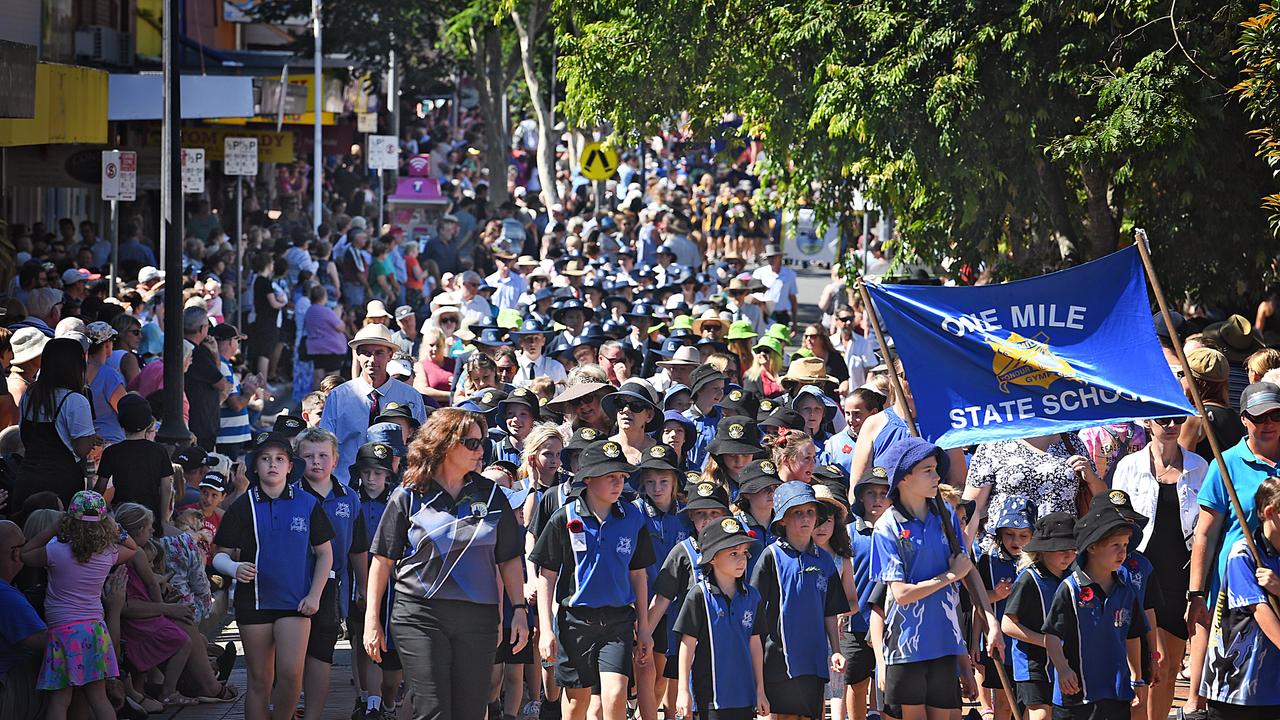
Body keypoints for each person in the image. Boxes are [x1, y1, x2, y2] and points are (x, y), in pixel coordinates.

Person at [364, 408, 528, 720]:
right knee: (434, 709)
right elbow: (382, 561)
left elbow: (508, 559)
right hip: (419, 615)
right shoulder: (409, 495)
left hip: (478, 617)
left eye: (482, 443)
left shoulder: (491, 495)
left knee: (469, 711)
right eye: (471, 443)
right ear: (444, 444)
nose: (480, 450)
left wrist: (518, 610)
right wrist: (372, 619)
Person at [211, 432, 335, 720]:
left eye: (280, 459)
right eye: (265, 459)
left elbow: (325, 554)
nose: (273, 465)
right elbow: (219, 555)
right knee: (260, 680)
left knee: (291, 674)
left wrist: (314, 595)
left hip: (295, 601)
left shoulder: (307, 503)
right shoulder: (242, 506)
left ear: (291, 466)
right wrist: (234, 568)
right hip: (253, 602)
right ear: (255, 467)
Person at [530, 440, 655, 720]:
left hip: (618, 621)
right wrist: (547, 630)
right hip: (575, 622)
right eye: (610, 476)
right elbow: (546, 576)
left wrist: (644, 627)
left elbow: (639, 574)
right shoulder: (565, 518)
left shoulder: (633, 517)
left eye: (622, 477)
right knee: (576, 704)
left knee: (614, 694)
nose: (618, 483)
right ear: (588, 478)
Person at [1185, 381, 1280, 720]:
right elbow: (1205, 535)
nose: (1267, 423)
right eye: (1258, 417)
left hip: (1278, 582)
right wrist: (1196, 592)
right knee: (1235, 671)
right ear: (1243, 420)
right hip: (1235, 587)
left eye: (1275, 415)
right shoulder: (1224, 465)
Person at [869, 437, 980, 719]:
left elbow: (967, 570)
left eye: (935, 468)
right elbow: (901, 594)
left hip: (945, 642)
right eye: (927, 470)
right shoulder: (887, 526)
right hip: (906, 647)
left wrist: (966, 657)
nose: (937, 476)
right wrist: (949, 575)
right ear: (904, 477)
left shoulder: (946, 517)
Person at [20, 491, 138, 720]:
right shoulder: (107, 554)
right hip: (94, 629)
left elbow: (25, 554)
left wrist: (53, 528)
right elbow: (132, 548)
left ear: (69, 520)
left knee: (59, 700)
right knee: (99, 698)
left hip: (63, 632)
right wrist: (115, 527)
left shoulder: (55, 552)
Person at [750, 480, 847, 720]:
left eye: (810, 512)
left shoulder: (824, 561)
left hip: (814, 659)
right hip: (779, 658)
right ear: (782, 519)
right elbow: (754, 610)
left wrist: (835, 650)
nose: (805, 518)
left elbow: (830, 611)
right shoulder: (771, 556)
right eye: (797, 513)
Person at [1043, 502, 1148, 719]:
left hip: (1116, 692)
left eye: (1125, 544)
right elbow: (1052, 636)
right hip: (1076, 694)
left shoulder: (1126, 591)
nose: (1123, 552)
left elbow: (1132, 635)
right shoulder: (1070, 589)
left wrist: (1137, 676)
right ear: (1092, 547)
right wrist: (1062, 668)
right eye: (1115, 545)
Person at [294, 427, 370, 720]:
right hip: (294, 580)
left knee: (321, 649)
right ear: (297, 461)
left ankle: (313, 711)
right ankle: (289, 701)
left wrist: (363, 586)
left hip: (332, 584)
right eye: (308, 456)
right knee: (291, 648)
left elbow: (358, 547)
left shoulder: (349, 498)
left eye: (323, 455)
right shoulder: (291, 494)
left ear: (335, 460)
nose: (316, 462)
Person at [1198, 475, 1280, 718]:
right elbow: (1260, 610)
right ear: (1270, 512)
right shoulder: (1243, 554)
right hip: (1235, 685)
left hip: (1273, 687)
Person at [673, 517, 770, 720]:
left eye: (744, 552)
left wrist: (760, 689)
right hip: (710, 696)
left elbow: (755, 644)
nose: (742, 559)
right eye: (733, 553)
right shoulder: (699, 595)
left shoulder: (752, 596)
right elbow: (687, 645)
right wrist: (683, 691)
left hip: (745, 695)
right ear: (712, 558)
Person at [319, 324, 428, 485]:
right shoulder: (338, 396)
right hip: (346, 484)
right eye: (366, 353)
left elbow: (422, 444)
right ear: (357, 355)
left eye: (379, 353)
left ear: (390, 355)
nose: (372, 360)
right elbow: (325, 443)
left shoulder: (410, 396)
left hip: (393, 486)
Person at [14, 337, 100, 508]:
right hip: (60, 484)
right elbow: (81, 449)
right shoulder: (75, 400)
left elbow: (25, 434)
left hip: (26, 477)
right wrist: (91, 438)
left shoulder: (31, 395)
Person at [843, 466, 890, 720]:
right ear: (860, 496)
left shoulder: (898, 531)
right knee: (857, 683)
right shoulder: (850, 532)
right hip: (857, 621)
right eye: (871, 492)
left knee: (888, 685)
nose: (878, 499)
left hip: (890, 622)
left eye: (884, 493)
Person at [96, 393, 173, 533]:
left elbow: (99, 489)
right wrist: (163, 520)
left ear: (121, 422)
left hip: (122, 517)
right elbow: (166, 488)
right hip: (151, 518)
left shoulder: (111, 452)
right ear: (149, 422)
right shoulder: (159, 451)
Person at [0, 519, 48, 718]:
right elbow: (49, 643)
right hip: (9, 685)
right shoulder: (6, 596)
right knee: (81, 678)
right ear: (15, 552)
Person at [184, 307, 229, 451]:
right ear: (203, 328)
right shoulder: (197, 353)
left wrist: (214, 352)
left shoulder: (189, 348)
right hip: (200, 423)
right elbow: (222, 384)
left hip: (195, 420)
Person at [84, 321, 126, 445]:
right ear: (107, 344)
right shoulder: (109, 374)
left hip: (84, 441)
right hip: (109, 441)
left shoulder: (77, 371)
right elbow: (125, 410)